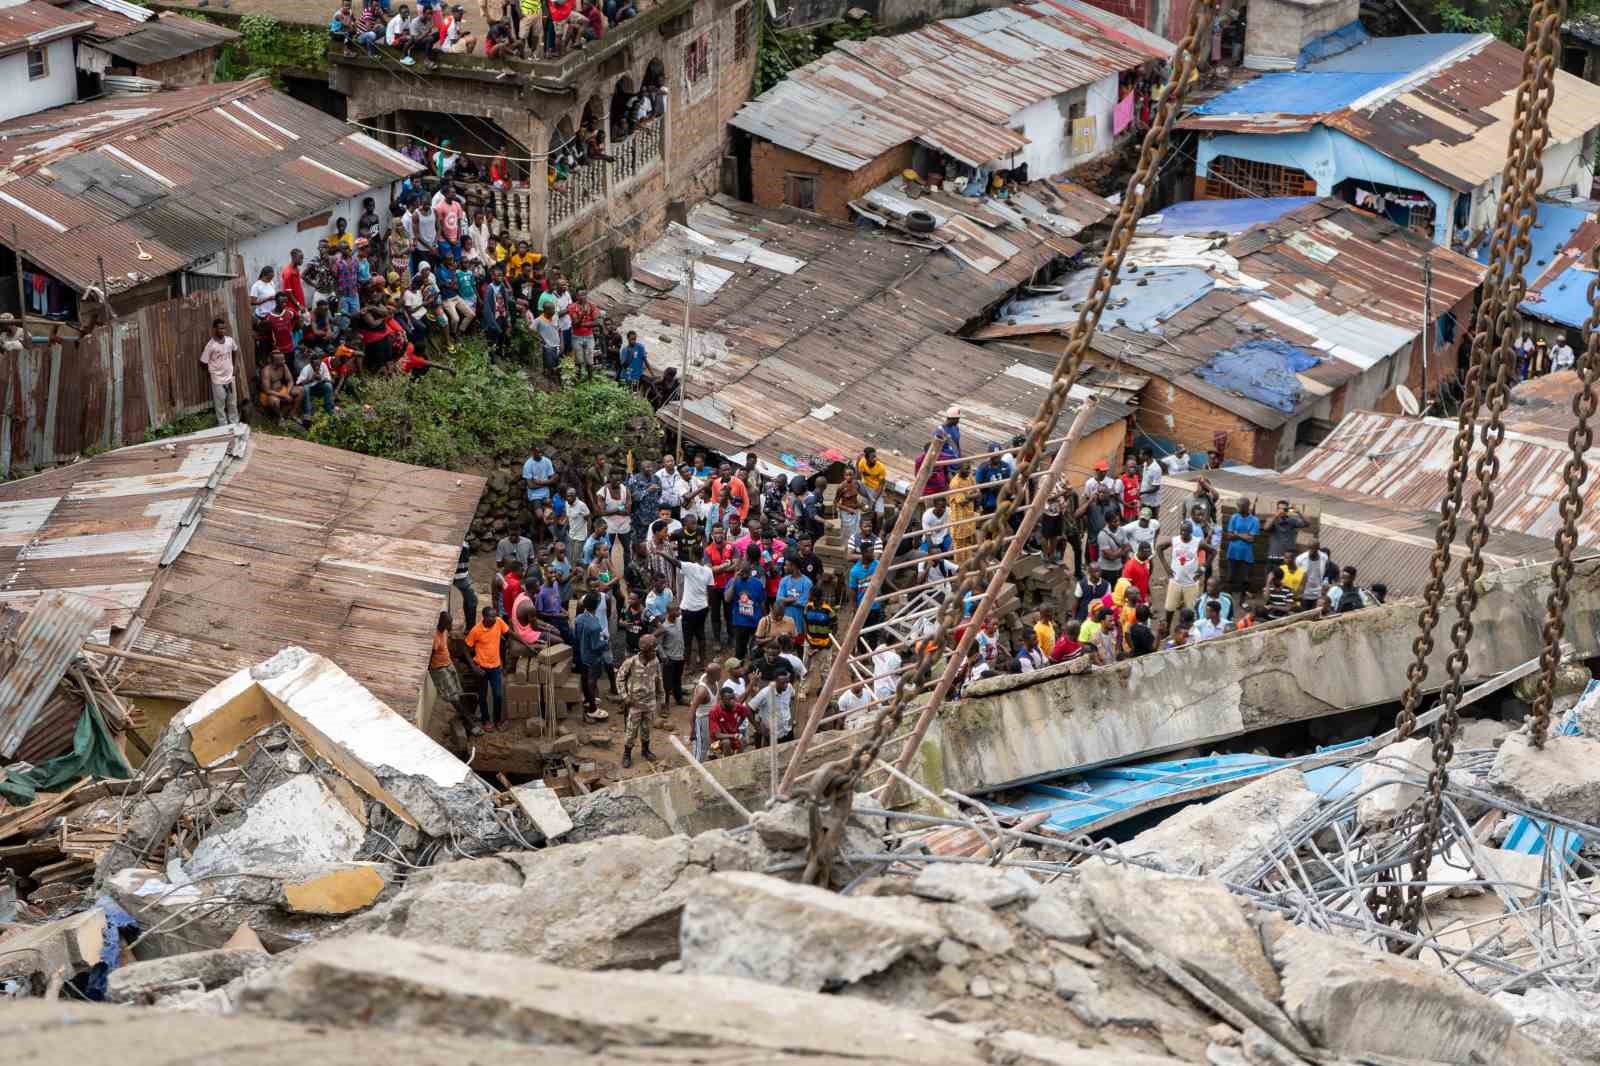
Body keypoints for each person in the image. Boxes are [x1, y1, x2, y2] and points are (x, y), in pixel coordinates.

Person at [615, 633, 665, 768]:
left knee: (647, 728)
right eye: (653, 649)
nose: (655, 651)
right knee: (631, 730)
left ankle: (645, 750)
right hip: (634, 703)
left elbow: (659, 679)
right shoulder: (631, 662)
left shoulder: (655, 661)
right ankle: (627, 754)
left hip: (650, 703)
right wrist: (625, 697)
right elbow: (619, 679)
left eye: (655, 648)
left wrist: (661, 698)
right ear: (644, 650)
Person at [464, 605, 509, 731]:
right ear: (484, 617)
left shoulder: (499, 622)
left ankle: (497, 720)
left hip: (496, 667)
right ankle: (486, 720)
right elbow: (465, 648)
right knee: (482, 696)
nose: (494, 619)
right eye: (491, 617)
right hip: (482, 668)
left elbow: (510, 633)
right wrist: (473, 667)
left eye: (495, 616)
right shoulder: (476, 630)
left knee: (498, 695)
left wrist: (526, 644)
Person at [429, 611, 471, 734]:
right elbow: (430, 657)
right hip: (440, 668)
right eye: (449, 623)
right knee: (453, 696)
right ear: (442, 623)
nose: (451, 625)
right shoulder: (435, 638)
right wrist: (430, 669)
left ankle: (465, 715)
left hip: (448, 664)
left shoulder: (443, 631)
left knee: (458, 690)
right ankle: (468, 721)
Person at [1158, 520, 1203, 630]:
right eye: (1182, 530)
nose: (1184, 533)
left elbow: (1212, 551)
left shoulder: (1197, 542)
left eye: (1186, 531)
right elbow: (1159, 548)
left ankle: (1190, 631)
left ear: (1191, 531)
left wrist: (1203, 568)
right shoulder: (1175, 540)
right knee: (1169, 608)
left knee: (1191, 610)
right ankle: (1167, 630)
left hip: (1191, 583)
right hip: (1175, 581)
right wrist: (1166, 567)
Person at [573, 591, 610, 721]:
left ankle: (588, 700)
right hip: (592, 657)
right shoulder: (594, 624)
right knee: (592, 680)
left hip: (582, 654)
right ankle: (593, 709)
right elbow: (596, 646)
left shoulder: (579, 619)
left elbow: (577, 637)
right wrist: (605, 642)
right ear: (597, 605)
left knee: (585, 678)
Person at [199, 317, 240, 426]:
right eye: (220, 328)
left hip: (230, 378)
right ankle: (223, 427)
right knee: (220, 405)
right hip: (218, 380)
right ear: (214, 329)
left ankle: (234, 424)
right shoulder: (210, 345)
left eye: (224, 328)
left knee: (232, 403)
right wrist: (212, 372)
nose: (223, 331)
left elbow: (235, 351)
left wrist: (234, 367)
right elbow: (203, 362)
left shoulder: (230, 340)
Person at [728, 561, 766, 659]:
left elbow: (762, 602)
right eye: (741, 573)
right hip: (740, 622)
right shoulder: (733, 581)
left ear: (750, 571)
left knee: (756, 651)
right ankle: (739, 671)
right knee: (739, 651)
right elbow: (727, 598)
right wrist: (734, 582)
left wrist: (764, 619)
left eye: (746, 572)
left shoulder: (757, 583)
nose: (743, 575)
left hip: (755, 621)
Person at [687, 660, 723, 760]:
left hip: (712, 717)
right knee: (700, 746)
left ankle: (708, 757)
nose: (721, 674)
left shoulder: (713, 679)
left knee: (709, 742)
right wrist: (693, 729)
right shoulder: (702, 691)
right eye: (719, 673)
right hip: (702, 720)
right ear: (712, 675)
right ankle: (696, 768)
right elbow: (692, 710)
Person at [1224, 498, 1260, 597]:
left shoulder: (1254, 520)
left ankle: (1242, 599)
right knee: (1230, 576)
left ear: (1247, 507)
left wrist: (1237, 534)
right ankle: (1228, 596)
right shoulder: (1234, 517)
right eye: (1238, 506)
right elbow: (1229, 536)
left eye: (1240, 506)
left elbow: (1251, 539)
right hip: (1232, 552)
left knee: (1245, 579)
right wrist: (1244, 535)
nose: (1238, 508)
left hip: (1246, 554)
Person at [257, 350, 301, 423]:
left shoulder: (283, 366)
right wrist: (283, 396)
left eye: (284, 359)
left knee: (300, 390)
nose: (284, 361)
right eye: (282, 359)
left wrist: (288, 392)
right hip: (270, 394)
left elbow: (290, 380)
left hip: (282, 390)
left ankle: (292, 414)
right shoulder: (266, 371)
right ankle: (280, 417)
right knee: (274, 401)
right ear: (275, 361)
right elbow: (267, 390)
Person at [1263, 500, 1306, 571]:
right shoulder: (1272, 520)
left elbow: (1307, 523)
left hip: (1287, 559)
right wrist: (1276, 516)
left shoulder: (1292, 520)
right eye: (1280, 509)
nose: (1282, 511)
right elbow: (1266, 528)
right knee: (1270, 579)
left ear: (1287, 510)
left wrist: (1299, 512)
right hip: (1273, 557)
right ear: (1277, 509)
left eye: (1284, 509)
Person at [657, 605, 686, 709]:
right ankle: (665, 704)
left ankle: (679, 699)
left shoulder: (679, 621)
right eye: (675, 610)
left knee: (677, 679)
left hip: (680, 656)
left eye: (678, 610)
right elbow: (658, 643)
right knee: (667, 683)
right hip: (669, 658)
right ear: (669, 612)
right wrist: (664, 657)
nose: (678, 612)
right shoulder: (664, 626)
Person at [295, 352, 336, 423]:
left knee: (328, 386)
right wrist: (312, 379)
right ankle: (308, 413)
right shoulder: (306, 369)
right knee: (306, 388)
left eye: (319, 364)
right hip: (308, 390)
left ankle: (329, 409)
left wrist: (325, 379)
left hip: (318, 388)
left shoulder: (323, 365)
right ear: (311, 364)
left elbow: (330, 380)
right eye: (315, 365)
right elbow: (299, 383)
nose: (317, 366)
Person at [708, 684, 747, 756]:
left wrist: (737, 725)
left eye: (733, 698)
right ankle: (726, 761)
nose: (732, 701)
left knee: (742, 740)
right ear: (722, 700)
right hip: (715, 743)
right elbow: (717, 735)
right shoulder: (714, 712)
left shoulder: (737, 707)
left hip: (732, 737)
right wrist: (734, 735)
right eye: (729, 699)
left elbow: (744, 713)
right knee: (726, 742)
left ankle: (738, 760)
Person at [1295, 539, 1330, 612]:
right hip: (1304, 594)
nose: (1312, 550)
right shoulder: (1300, 559)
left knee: (1316, 615)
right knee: (1304, 615)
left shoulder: (1324, 557)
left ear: (1318, 548)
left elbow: (1325, 571)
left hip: (1318, 594)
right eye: (1310, 548)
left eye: (1314, 548)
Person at [1096, 509, 1126, 585]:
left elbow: (1128, 546)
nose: (1118, 523)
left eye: (1118, 521)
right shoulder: (1102, 535)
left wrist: (1116, 553)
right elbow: (1111, 557)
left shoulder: (1121, 530)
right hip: (1106, 570)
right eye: (1114, 521)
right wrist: (1122, 549)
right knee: (1108, 593)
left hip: (1119, 568)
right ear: (1107, 522)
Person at [856, 447, 888, 515]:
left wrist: (874, 500)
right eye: (873, 457)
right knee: (854, 483)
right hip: (865, 487)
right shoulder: (862, 462)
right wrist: (857, 462)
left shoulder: (881, 467)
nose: (875, 459)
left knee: (880, 514)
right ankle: (858, 503)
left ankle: (869, 501)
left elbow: (882, 485)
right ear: (866, 458)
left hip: (876, 491)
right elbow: (858, 477)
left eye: (875, 456)